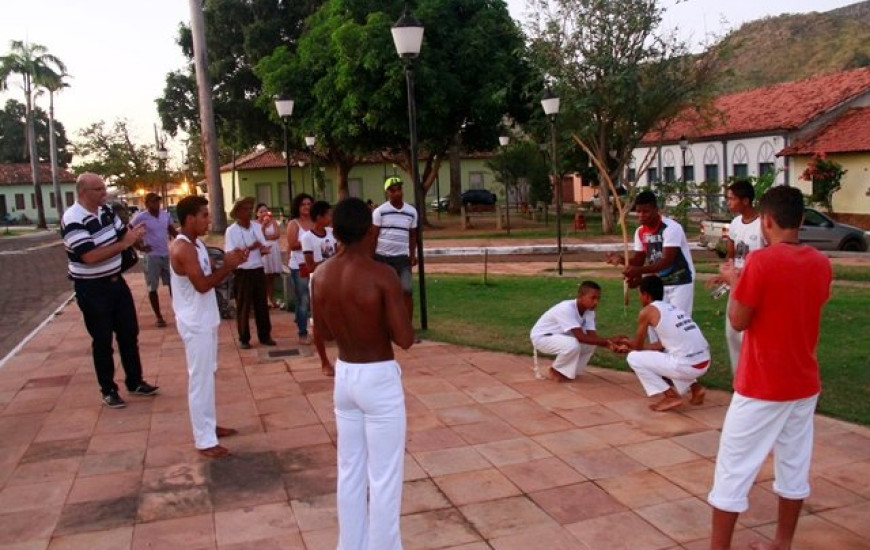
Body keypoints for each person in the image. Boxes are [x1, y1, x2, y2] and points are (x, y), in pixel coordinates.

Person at [707, 186, 832, 550]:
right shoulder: (821, 263)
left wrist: (735, 282)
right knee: (794, 465)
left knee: (733, 469)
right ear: (802, 220)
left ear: (766, 221)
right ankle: (782, 543)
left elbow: (740, 320)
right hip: (803, 382)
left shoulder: (761, 262)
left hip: (762, 384)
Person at [310, 197, 414, 550]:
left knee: (350, 470)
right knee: (384, 476)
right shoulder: (381, 275)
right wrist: (399, 306)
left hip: (346, 376)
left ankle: (350, 545)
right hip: (378, 377)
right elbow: (405, 339)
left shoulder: (320, 275)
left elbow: (323, 333)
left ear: (335, 231)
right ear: (371, 231)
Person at [60, 173, 159, 408]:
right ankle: (108, 389)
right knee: (102, 339)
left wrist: (135, 239)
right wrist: (124, 244)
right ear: (84, 192)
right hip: (92, 288)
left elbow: (123, 233)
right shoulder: (73, 218)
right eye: (99, 190)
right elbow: (89, 256)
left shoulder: (106, 211)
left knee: (129, 333)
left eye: (104, 189)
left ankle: (135, 381)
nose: (104, 193)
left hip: (116, 282)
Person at [170, 196, 247, 458]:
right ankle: (204, 440)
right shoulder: (183, 248)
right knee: (200, 380)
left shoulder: (197, 245)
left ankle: (209, 425)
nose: (208, 220)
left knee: (207, 376)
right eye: (204, 215)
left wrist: (230, 260)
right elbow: (202, 284)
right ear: (190, 218)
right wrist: (227, 267)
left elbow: (208, 270)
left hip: (206, 319)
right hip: (195, 323)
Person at [618, 275, 709, 412]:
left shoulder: (647, 311)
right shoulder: (672, 309)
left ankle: (671, 396)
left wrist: (627, 344)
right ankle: (696, 389)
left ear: (645, 295)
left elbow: (637, 347)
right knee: (674, 354)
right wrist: (633, 345)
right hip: (704, 362)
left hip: (687, 366)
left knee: (633, 358)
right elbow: (661, 345)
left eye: (640, 294)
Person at [707, 179, 766, 372]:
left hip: (754, 285)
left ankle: (755, 373)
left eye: (732, 199)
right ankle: (739, 376)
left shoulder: (762, 225)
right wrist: (723, 275)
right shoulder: (734, 224)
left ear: (746, 200)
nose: (728, 203)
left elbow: (767, 258)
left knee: (748, 334)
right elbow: (731, 256)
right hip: (735, 285)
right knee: (731, 333)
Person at [607, 190, 696, 314]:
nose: (641, 215)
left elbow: (666, 261)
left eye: (646, 211)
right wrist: (622, 260)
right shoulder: (640, 232)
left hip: (680, 281)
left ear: (656, 209)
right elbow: (639, 260)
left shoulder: (671, 228)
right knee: (657, 321)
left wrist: (638, 271)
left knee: (678, 322)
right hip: (658, 284)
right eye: (638, 211)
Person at [529, 281, 627, 381]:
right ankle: (556, 370)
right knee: (572, 345)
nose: (596, 302)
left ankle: (570, 372)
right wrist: (609, 341)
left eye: (598, 298)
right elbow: (580, 337)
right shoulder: (566, 308)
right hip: (542, 338)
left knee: (590, 344)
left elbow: (592, 337)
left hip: (561, 337)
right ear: (580, 296)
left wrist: (610, 345)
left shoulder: (589, 312)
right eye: (593, 298)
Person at [225, 196, 276, 349]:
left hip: (257, 268)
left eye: (249, 209)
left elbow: (262, 244)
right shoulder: (231, 230)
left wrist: (263, 249)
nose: (249, 212)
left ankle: (265, 335)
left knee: (261, 304)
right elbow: (231, 252)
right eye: (245, 209)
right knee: (244, 305)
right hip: (243, 271)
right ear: (238, 212)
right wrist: (251, 247)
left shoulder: (255, 226)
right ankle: (244, 337)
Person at [372, 177, 418, 323]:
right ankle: (384, 327)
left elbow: (413, 234)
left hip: (402, 259)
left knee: (407, 292)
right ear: (387, 193)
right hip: (382, 258)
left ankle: (407, 327)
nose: (397, 193)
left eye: (399, 189)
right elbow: (374, 235)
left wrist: (412, 254)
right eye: (393, 190)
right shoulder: (380, 212)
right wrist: (371, 257)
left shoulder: (411, 212)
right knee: (383, 294)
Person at [302, 201, 339, 376]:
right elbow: (310, 266)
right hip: (318, 282)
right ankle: (324, 361)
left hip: (336, 281)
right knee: (317, 322)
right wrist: (330, 262)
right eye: (328, 215)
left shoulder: (332, 234)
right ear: (319, 217)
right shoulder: (307, 238)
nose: (330, 218)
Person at [130, 192, 178, 327]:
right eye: (153, 202)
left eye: (158, 201)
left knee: (173, 284)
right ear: (147, 204)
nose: (156, 204)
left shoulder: (165, 215)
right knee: (152, 287)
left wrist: (183, 240)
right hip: (151, 256)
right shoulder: (141, 217)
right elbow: (128, 231)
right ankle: (159, 316)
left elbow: (172, 230)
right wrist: (140, 247)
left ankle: (179, 311)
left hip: (165, 254)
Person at [286, 194, 315, 344]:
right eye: (303, 204)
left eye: (309, 204)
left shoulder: (316, 222)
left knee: (313, 299)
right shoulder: (294, 223)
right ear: (298, 206)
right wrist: (310, 242)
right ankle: (302, 332)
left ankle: (307, 323)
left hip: (315, 265)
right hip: (299, 266)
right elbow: (292, 244)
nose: (306, 207)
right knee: (303, 299)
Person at [256, 203, 283, 309]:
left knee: (271, 277)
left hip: (273, 250)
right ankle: (264, 300)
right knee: (264, 277)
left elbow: (277, 235)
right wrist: (263, 226)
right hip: (263, 251)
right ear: (257, 213)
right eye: (261, 211)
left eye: (265, 211)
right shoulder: (256, 224)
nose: (264, 213)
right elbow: (259, 236)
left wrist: (266, 237)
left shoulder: (273, 222)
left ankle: (271, 298)